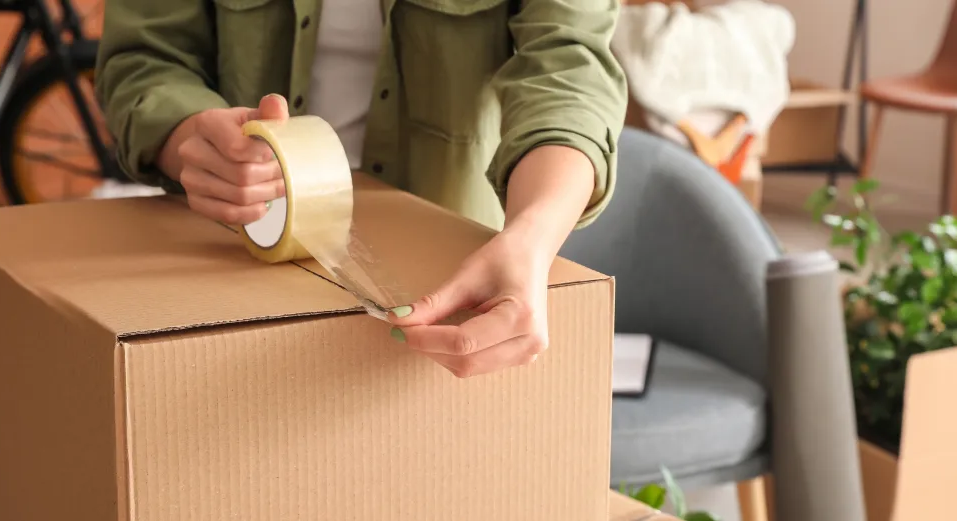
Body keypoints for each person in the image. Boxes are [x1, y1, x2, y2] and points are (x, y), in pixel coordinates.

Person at [94, 0, 628, 377]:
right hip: (238, 246)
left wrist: (529, 241)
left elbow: (570, 67)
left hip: (449, 269)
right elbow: (144, 56)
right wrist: (191, 136)